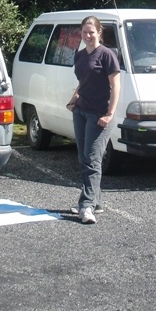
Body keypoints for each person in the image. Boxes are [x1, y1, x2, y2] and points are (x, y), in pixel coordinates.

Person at [66, 15, 120, 224]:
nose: (88, 36)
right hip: (81, 111)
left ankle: (86, 206)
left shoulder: (106, 55)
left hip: (99, 114)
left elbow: (116, 86)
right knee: (83, 158)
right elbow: (83, 82)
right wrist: (73, 100)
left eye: (92, 32)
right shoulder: (79, 56)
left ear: (99, 33)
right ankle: (95, 202)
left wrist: (110, 114)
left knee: (92, 160)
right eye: (85, 32)